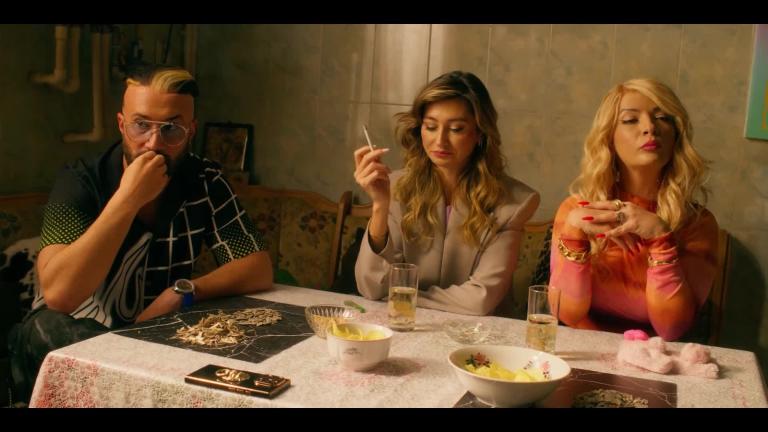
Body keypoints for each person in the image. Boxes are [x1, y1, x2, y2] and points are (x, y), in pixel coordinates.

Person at [9, 63, 273, 402]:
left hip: (155, 336)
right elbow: (60, 295)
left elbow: (257, 267)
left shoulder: (204, 180)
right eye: (141, 125)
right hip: (68, 335)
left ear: (191, 131)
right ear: (122, 124)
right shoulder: (80, 180)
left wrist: (184, 292)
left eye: (172, 129)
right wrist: (128, 199)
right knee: (49, 326)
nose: (153, 144)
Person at [353, 71, 540, 315]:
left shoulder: (514, 202)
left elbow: (480, 300)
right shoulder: (395, 186)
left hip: (480, 334)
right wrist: (380, 205)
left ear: (480, 133)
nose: (440, 141)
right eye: (431, 127)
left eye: (456, 129)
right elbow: (371, 286)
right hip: (405, 327)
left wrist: (401, 295)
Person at [549, 78, 718, 341]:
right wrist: (573, 233)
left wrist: (661, 239)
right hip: (581, 350)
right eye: (630, 120)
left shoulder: (697, 223)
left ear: (676, 135)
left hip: (657, 357)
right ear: (609, 138)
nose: (650, 128)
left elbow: (672, 329)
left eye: (662, 118)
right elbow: (566, 314)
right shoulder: (576, 211)